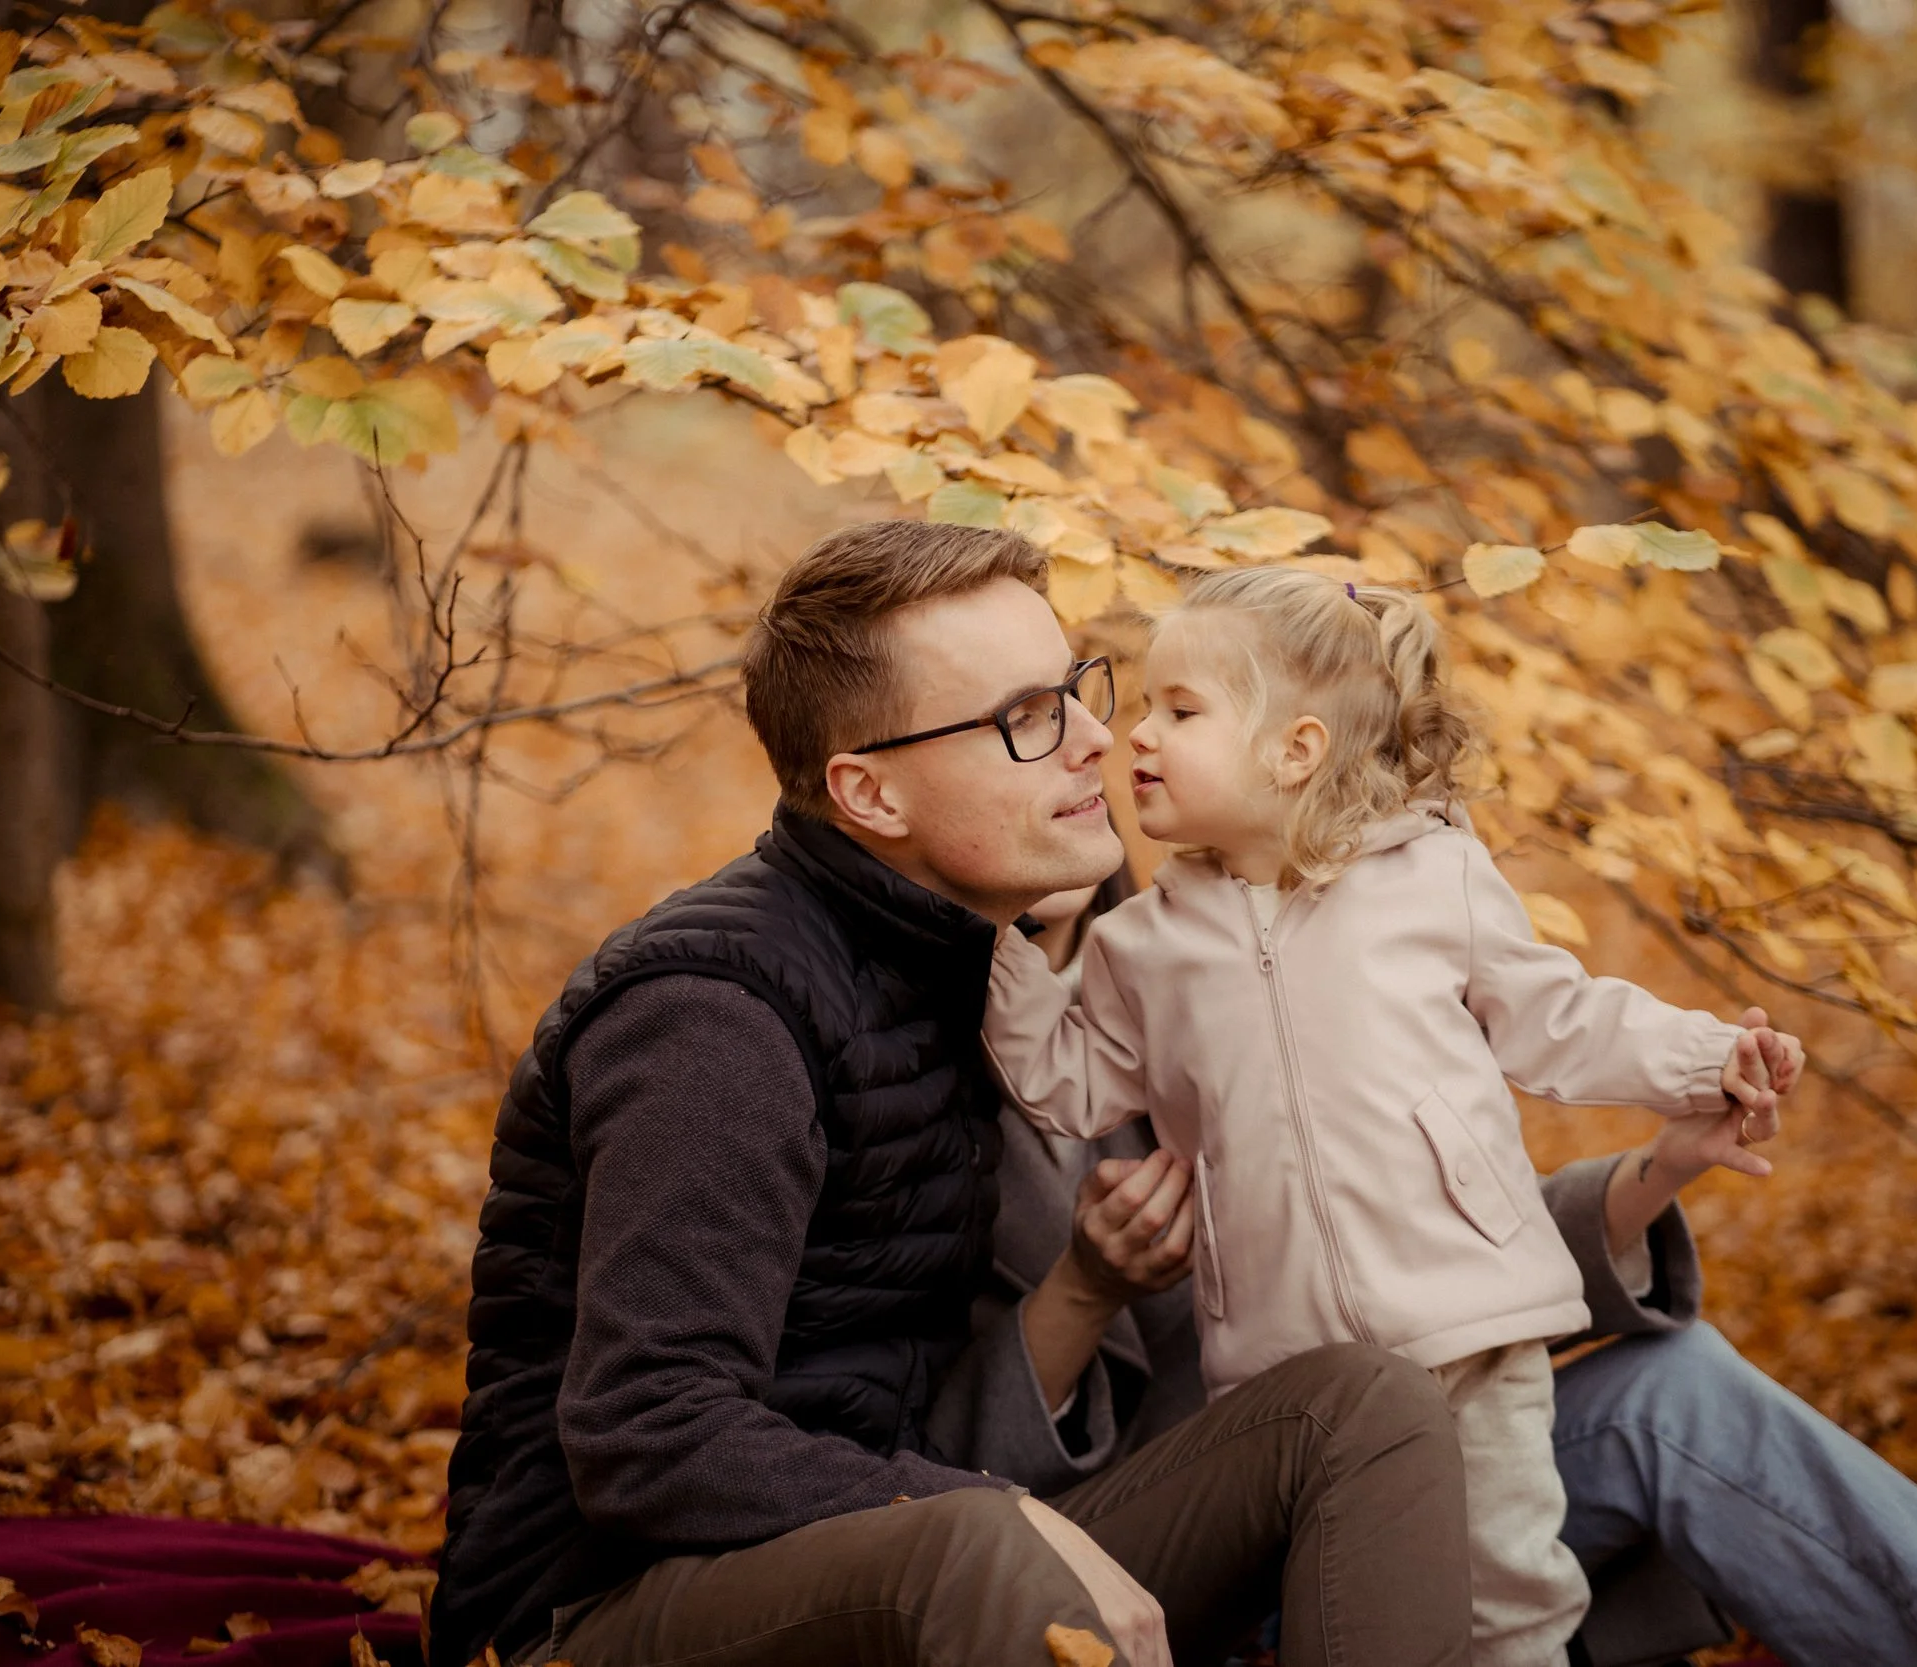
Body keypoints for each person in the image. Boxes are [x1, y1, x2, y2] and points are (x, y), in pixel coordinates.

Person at [428, 522, 1478, 1667]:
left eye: (1081, 686)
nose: (1096, 739)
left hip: (908, 1538)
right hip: (595, 1613)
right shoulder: (716, 1013)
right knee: (976, 1545)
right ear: (868, 793)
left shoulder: (969, 963)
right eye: (1026, 719)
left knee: (1360, 1406)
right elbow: (651, 1435)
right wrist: (990, 1509)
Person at [979, 567, 1808, 1667]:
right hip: (1293, 1373)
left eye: (1179, 711)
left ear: (1295, 750)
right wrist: (988, 930)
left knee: (1511, 1596)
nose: (1133, 735)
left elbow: (1558, 1019)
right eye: (1143, 705)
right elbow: (1064, 1081)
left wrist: (1709, 1059)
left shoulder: (1432, 878)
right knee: (1376, 1610)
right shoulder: (1145, 949)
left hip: (1466, 1321)